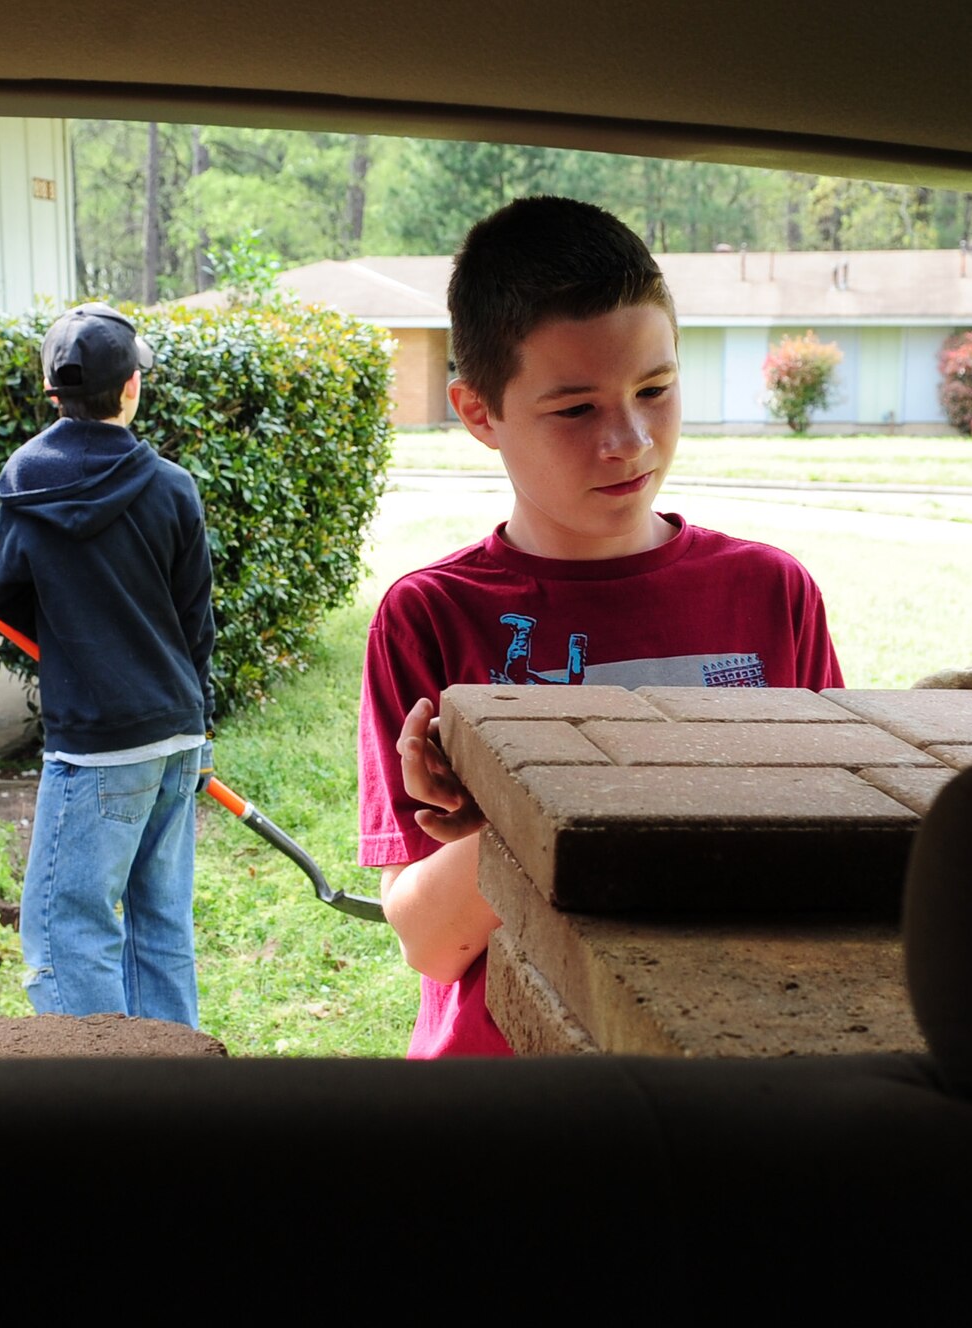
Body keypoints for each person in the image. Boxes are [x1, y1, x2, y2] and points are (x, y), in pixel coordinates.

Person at [357, 196, 846, 1059]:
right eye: (576, 409)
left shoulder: (773, 593)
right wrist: (519, 807)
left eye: (654, 389)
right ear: (478, 412)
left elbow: (829, 864)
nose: (628, 439)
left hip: (723, 1063)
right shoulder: (429, 616)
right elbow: (431, 944)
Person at [0, 302, 216, 1028]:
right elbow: (195, 622)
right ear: (131, 388)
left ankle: (102, 1102)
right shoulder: (172, 486)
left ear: (54, 394)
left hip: (96, 749)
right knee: (160, 927)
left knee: (66, 934)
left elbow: (6, 601)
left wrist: (73, 636)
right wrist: (197, 721)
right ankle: (174, 1092)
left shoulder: (24, 483)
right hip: (176, 734)